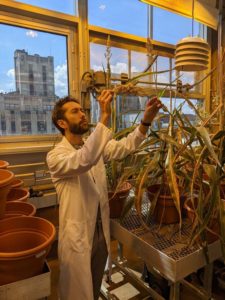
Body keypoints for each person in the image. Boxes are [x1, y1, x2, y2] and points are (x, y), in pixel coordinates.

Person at [46, 90, 162, 300]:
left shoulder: (93, 145)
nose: (82, 114)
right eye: (75, 111)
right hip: (78, 235)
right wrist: (104, 117)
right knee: (76, 291)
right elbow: (84, 159)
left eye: (82, 109)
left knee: (94, 280)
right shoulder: (56, 156)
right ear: (62, 123)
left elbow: (125, 146)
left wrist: (145, 121)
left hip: (100, 231)